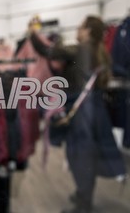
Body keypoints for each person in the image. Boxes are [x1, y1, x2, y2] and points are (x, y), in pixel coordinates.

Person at [48, 16, 127, 213]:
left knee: (79, 158)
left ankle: (84, 204)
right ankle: (83, 195)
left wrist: (35, 35)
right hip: (95, 112)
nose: (78, 29)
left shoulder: (82, 48)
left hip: (83, 114)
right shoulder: (100, 51)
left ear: (89, 31)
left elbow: (52, 52)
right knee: (86, 157)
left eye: (81, 26)